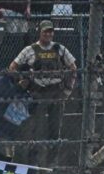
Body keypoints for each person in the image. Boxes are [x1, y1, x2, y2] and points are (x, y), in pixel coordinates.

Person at [8, 20, 77, 166]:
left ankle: (51, 163)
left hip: (56, 93)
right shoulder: (30, 49)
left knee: (55, 129)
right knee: (34, 128)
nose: (48, 34)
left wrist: (68, 90)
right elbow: (12, 67)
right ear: (40, 32)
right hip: (37, 93)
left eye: (51, 31)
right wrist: (21, 81)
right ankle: (32, 159)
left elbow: (73, 68)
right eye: (45, 31)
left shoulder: (59, 48)